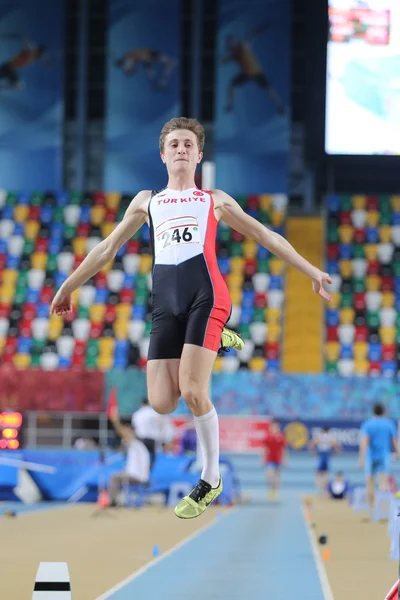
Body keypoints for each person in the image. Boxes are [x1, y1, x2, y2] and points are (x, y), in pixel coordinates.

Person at [51, 116, 332, 519]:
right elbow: (106, 249)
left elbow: (266, 236)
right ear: (163, 154)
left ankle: (210, 477)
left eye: (188, 144)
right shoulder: (147, 201)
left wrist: (311, 271)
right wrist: (69, 286)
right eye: (174, 144)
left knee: (194, 390)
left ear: (199, 155)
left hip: (207, 295)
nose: (181, 149)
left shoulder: (214, 200)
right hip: (165, 304)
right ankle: (218, 338)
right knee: (163, 402)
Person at [222, 26, 285, 114]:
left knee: (268, 89)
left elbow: (251, 36)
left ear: (234, 41)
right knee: (231, 85)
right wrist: (227, 51)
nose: (231, 44)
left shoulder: (242, 45)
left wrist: (260, 30)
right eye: (229, 43)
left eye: (231, 42)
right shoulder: (234, 54)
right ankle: (230, 105)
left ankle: (279, 106)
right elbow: (224, 61)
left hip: (256, 71)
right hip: (246, 74)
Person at [359, 403, 399, 509]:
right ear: (383, 411)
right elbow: (395, 441)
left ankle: (371, 508)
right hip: (384, 456)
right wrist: (398, 453)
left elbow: (364, 442)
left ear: (373, 411)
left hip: (371, 456)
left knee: (370, 483)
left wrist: (361, 459)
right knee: (383, 482)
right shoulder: (389, 424)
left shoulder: (367, 424)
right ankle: (382, 508)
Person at [108, 411, 150, 507]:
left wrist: (116, 421)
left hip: (137, 476)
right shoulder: (137, 445)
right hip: (138, 475)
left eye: (128, 431)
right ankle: (115, 500)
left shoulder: (135, 444)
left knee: (114, 477)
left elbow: (123, 434)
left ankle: (113, 501)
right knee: (117, 475)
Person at [131, 398, 164, 470]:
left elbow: (134, 428)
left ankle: (141, 471)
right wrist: (160, 435)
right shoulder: (152, 412)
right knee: (152, 457)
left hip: (140, 438)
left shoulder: (136, 414)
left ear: (141, 404)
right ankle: (147, 471)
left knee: (141, 456)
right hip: (151, 438)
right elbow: (160, 422)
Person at [308, 426, 341, 496]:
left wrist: (312, 451)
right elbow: (336, 445)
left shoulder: (320, 436)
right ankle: (325, 489)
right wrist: (337, 451)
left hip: (321, 454)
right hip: (326, 454)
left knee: (318, 472)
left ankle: (320, 488)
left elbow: (311, 443)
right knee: (326, 473)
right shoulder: (330, 436)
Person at [263, 419, 287, 501]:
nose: (274, 428)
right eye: (273, 426)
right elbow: (264, 448)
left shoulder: (281, 437)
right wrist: (262, 459)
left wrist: (285, 459)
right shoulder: (268, 436)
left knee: (277, 477)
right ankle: (270, 488)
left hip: (278, 459)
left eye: (276, 427)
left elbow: (284, 449)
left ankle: (275, 491)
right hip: (269, 459)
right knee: (269, 477)